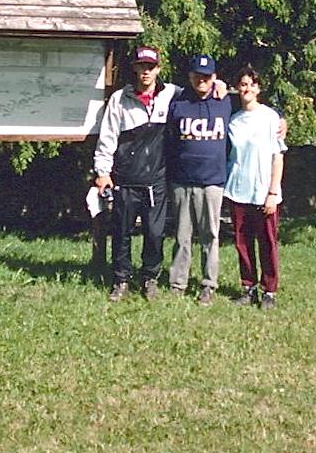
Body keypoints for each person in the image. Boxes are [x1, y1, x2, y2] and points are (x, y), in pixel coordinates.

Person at [93, 46, 180, 301]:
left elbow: (202, 95)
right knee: (121, 232)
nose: (146, 71)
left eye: (150, 67)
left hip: (156, 180)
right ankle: (121, 280)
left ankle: (149, 278)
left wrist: (218, 84)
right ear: (135, 68)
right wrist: (103, 172)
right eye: (141, 66)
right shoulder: (120, 98)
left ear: (158, 70)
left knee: (154, 233)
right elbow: (107, 136)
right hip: (125, 179)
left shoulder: (172, 94)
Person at [165, 53, 233, 306]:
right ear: (190, 77)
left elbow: (254, 103)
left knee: (210, 236)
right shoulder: (179, 101)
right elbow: (169, 138)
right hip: (182, 180)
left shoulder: (225, 101)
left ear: (214, 78)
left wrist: (280, 116)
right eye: (197, 76)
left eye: (207, 77)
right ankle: (178, 282)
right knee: (182, 236)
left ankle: (208, 284)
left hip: (212, 181)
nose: (201, 81)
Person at [223, 65, 287, 309]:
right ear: (237, 88)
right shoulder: (233, 120)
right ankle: (248, 287)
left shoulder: (271, 117)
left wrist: (273, 192)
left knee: (267, 242)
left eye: (251, 84)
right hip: (238, 190)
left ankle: (269, 290)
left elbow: (278, 157)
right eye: (243, 84)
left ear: (258, 88)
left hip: (264, 193)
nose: (247, 88)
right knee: (242, 242)